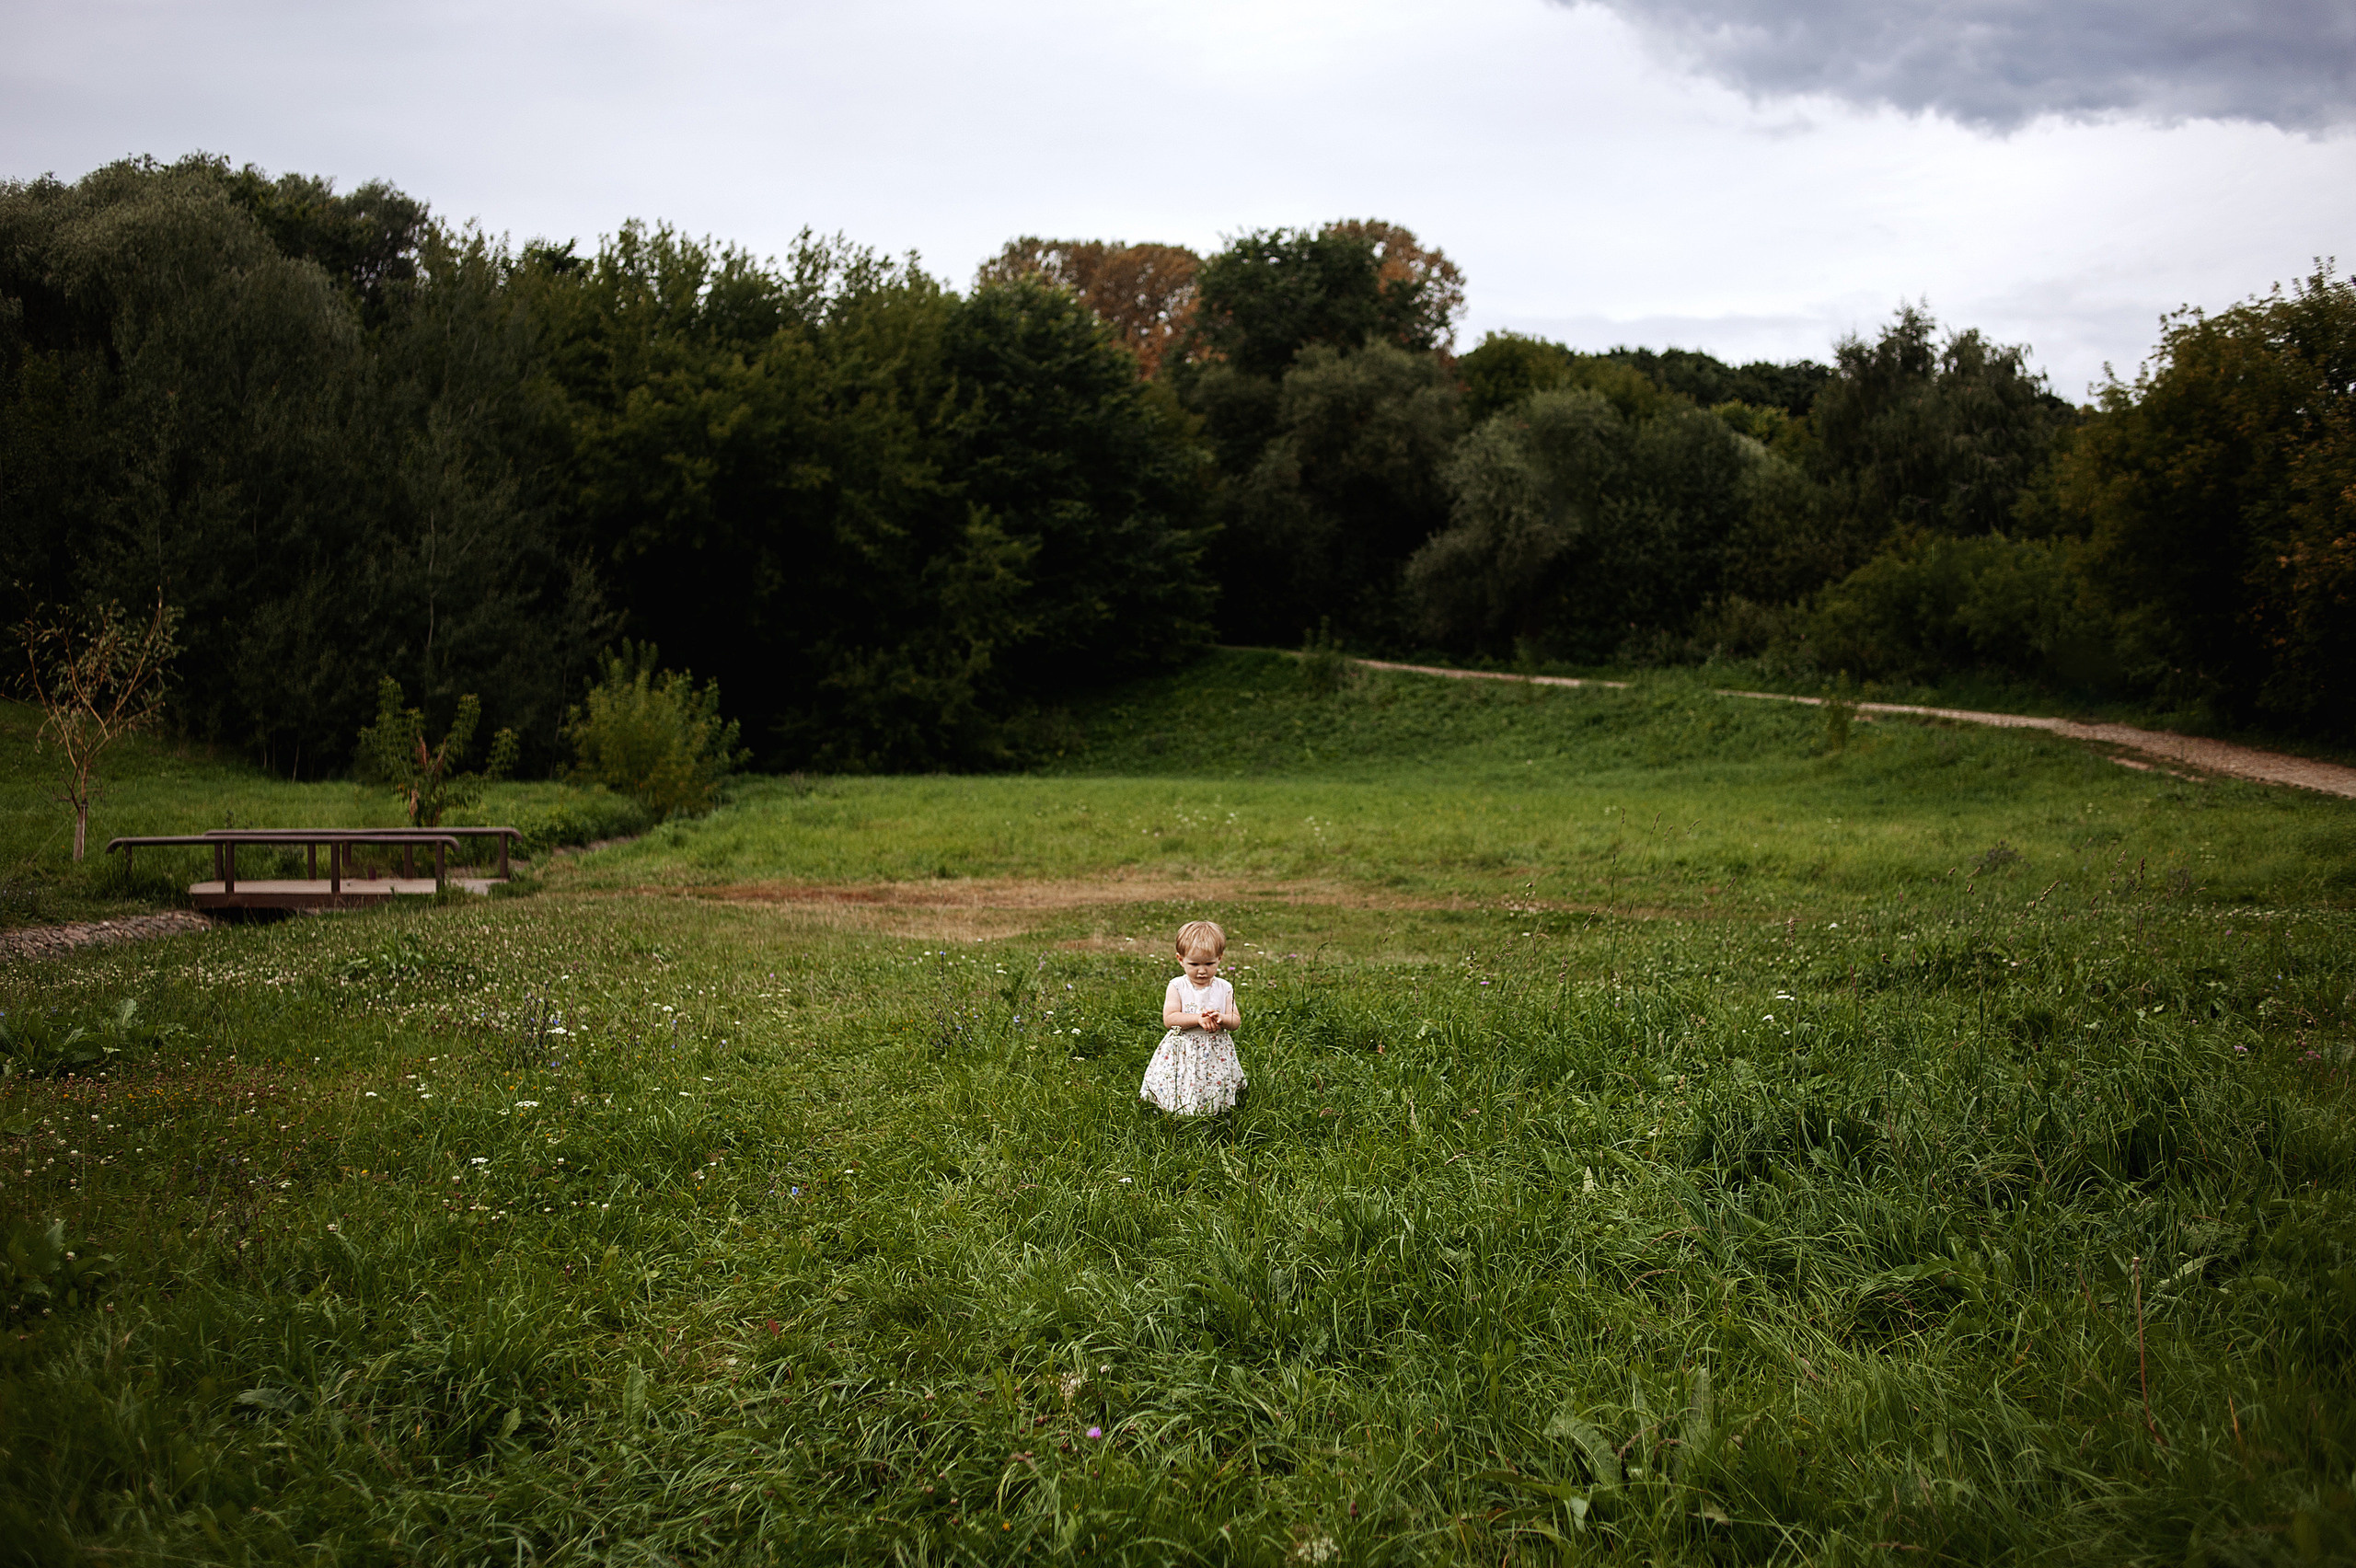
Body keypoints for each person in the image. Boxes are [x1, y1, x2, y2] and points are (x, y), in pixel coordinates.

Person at [1138, 918, 1246, 1116]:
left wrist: (1222, 1018)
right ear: (1180, 959)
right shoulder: (1178, 986)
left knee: (1213, 1082)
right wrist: (1197, 1019)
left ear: (1220, 958)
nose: (1202, 970)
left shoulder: (1224, 987)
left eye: (1209, 963)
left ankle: (1215, 1114)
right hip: (1184, 1048)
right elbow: (1170, 1019)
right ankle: (1175, 1113)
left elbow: (1235, 1021)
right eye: (1194, 964)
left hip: (1215, 1050)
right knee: (1182, 1081)